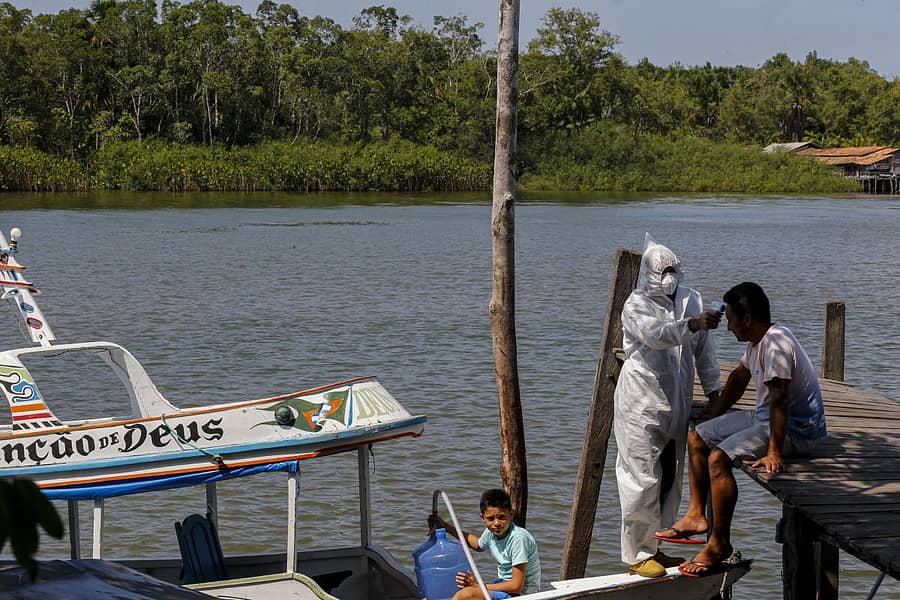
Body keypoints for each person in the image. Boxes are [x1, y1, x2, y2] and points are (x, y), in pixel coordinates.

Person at [660, 282, 827, 577]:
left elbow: (780, 399)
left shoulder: (775, 344)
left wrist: (774, 451)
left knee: (718, 459)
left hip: (798, 430)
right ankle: (697, 515)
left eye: (731, 321)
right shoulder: (757, 343)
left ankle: (719, 544)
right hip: (765, 418)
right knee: (697, 437)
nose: (728, 329)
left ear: (747, 320)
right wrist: (715, 412)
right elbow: (738, 378)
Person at [613, 234, 723, 578]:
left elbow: (703, 350)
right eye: (663, 270)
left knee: (669, 479)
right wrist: (690, 324)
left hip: (677, 402)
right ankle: (637, 555)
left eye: (673, 268)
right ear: (648, 274)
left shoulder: (692, 299)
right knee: (640, 478)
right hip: (641, 403)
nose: (669, 276)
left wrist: (714, 390)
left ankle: (655, 548)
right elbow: (656, 334)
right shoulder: (635, 304)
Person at [431, 488, 541, 598]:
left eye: (502, 517)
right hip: (504, 585)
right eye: (491, 518)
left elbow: (516, 586)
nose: (496, 523)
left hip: (523, 595)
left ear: (511, 514)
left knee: (467, 594)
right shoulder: (491, 532)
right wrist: (444, 526)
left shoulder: (518, 539)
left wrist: (478, 586)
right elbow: (477, 545)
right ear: (483, 518)